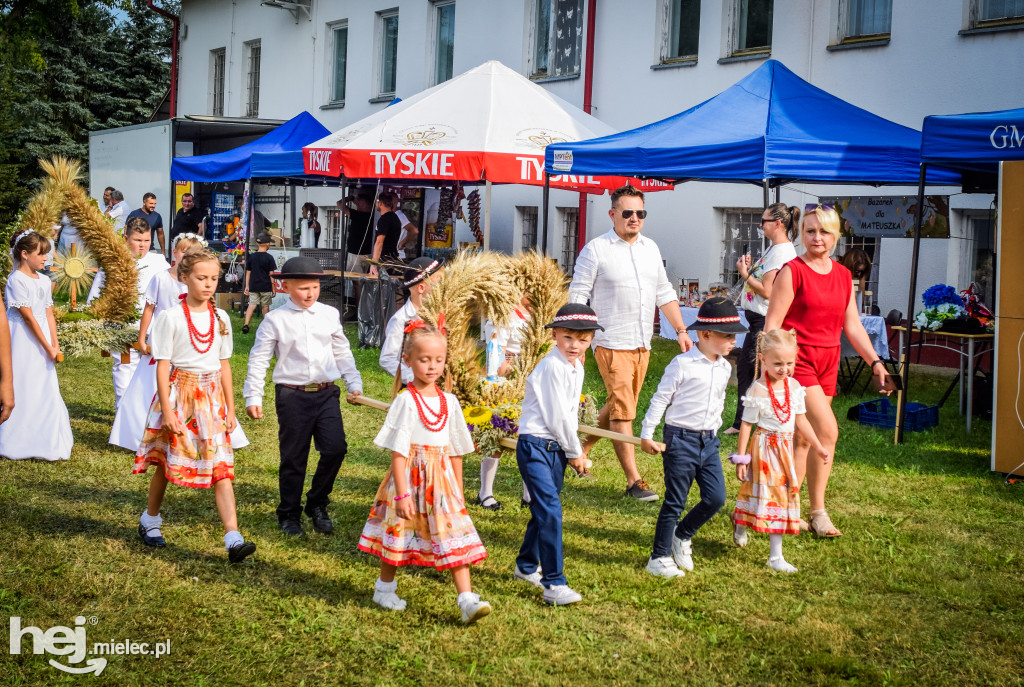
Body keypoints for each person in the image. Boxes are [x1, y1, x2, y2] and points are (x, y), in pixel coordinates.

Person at [765, 204, 889, 538]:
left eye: (823, 231)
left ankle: (786, 507)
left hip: (828, 361)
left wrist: (875, 362)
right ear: (801, 233)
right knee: (827, 432)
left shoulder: (843, 276)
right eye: (809, 231)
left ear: (835, 236)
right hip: (797, 361)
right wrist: (771, 369)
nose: (816, 237)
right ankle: (818, 513)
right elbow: (773, 324)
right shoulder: (792, 271)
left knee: (804, 440)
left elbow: (853, 325)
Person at [356, 319, 491, 624]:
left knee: (453, 533)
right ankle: (384, 588)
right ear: (408, 360)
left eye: (438, 360)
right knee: (399, 532)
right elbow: (399, 452)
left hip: (442, 484)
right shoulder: (406, 401)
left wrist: (458, 492)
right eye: (424, 360)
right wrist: (402, 494)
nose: (432, 366)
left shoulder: (450, 402)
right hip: (409, 480)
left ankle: (466, 599)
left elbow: (456, 450)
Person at [569, 184, 693, 502]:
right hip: (610, 340)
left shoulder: (650, 248)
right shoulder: (595, 250)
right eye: (627, 213)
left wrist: (681, 330)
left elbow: (664, 293)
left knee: (617, 405)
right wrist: (578, 340)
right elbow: (578, 295)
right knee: (624, 411)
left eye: (640, 213)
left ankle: (576, 450)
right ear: (613, 214)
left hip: (642, 343)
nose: (634, 218)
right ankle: (634, 481)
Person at [133, 248, 255, 563]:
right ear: (184, 278)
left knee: (221, 467)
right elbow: (162, 366)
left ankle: (233, 537)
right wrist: (169, 412)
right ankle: (150, 519)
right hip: (179, 395)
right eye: (201, 278)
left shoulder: (221, 318)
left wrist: (230, 408)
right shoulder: (170, 317)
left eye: (214, 278)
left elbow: (224, 365)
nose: (208, 284)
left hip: (211, 398)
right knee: (166, 462)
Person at [244, 256, 364, 537]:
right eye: (302, 288)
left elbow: (342, 351)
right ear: (285, 287)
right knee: (294, 458)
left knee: (336, 449)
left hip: (326, 394)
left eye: (314, 287)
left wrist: (353, 382)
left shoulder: (328, 315)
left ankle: (317, 503)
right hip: (292, 396)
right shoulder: (275, 320)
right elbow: (258, 359)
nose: (310, 294)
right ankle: (289, 514)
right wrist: (253, 396)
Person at [109, 234, 250, 453]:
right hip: (165, 339)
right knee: (152, 388)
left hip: (189, 344)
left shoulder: (201, 286)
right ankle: (141, 431)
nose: (186, 254)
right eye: (183, 251)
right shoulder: (161, 278)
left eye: (191, 251)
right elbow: (150, 308)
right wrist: (142, 336)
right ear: (175, 253)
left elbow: (223, 361)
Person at [640, 297, 747, 579]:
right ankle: (658, 557)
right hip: (680, 440)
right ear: (705, 334)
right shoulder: (682, 365)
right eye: (727, 336)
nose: (732, 342)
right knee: (675, 501)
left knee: (716, 498)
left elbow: (718, 402)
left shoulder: (725, 368)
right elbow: (660, 399)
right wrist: (646, 433)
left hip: (709, 442)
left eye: (734, 336)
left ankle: (682, 534)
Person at [513, 303, 600, 606]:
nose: (575, 345)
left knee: (543, 509)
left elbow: (569, 415)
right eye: (568, 338)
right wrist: (576, 453)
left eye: (583, 339)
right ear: (554, 336)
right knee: (550, 511)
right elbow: (558, 418)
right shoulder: (552, 366)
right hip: (536, 445)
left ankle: (525, 566)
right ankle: (553, 583)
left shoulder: (575, 366)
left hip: (555, 450)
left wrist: (568, 451)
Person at [731, 329, 828, 573]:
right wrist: (742, 458)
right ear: (763, 359)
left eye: (789, 363)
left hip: (785, 449)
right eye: (778, 364)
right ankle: (746, 528)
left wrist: (817, 445)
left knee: (778, 497)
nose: (784, 369)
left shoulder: (795, 387)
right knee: (762, 494)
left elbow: (801, 421)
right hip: (765, 450)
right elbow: (746, 425)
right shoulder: (758, 391)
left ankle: (769, 550)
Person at [726, 203, 800, 435]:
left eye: (764, 221)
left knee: (751, 371)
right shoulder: (775, 249)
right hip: (757, 319)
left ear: (778, 224)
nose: (760, 225)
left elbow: (768, 291)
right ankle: (749, 421)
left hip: (764, 321)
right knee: (750, 371)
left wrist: (745, 274)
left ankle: (746, 423)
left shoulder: (782, 252)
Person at [0, 230, 73, 461]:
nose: (45, 259)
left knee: (44, 383)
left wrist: (55, 344)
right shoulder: (16, 280)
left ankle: (46, 437)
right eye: (41, 254)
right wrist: (46, 346)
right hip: (23, 338)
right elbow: (29, 318)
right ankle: (16, 437)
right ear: (24, 254)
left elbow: (47, 314)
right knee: (24, 381)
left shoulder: (43, 280)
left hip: (43, 339)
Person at [88, 217, 171, 409]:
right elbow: (96, 297)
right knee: (125, 370)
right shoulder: (112, 263)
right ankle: (123, 415)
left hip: (154, 328)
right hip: (123, 327)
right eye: (137, 240)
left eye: (147, 241)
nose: (143, 246)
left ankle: (147, 416)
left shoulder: (159, 262)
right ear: (126, 237)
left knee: (151, 373)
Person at [477, 293, 534, 511]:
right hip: (507, 381)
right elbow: (496, 354)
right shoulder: (503, 316)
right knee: (498, 434)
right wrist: (508, 374)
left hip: (529, 378)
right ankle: (486, 492)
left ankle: (529, 494)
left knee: (529, 435)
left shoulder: (535, 314)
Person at [379, 257, 442, 385]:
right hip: (413, 387)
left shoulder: (439, 315)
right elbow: (387, 359)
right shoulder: (401, 319)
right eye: (438, 282)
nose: (441, 287)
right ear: (421, 288)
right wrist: (413, 376)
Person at [341, 193, 374, 304]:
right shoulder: (372, 216)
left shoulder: (359, 214)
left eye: (361, 202)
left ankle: (359, 310)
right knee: (365, 283)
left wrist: (349, 198)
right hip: (368, 253)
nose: (358, 204)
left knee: (357, 283)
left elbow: (340, 204)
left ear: (367, 204)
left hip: (356, 253)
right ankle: (362, 309)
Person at [242, 233, 277, 335]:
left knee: (251, 305)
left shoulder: (251, 257)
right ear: (267, 244)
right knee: (265, 306)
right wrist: (273, 287)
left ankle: (246, 325)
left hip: (253, 286)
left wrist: (247, 286)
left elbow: (248, 273)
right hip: (265, 286)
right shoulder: (269, 258)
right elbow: (271, 274)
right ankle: (266, 326)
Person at [368, 192, 402, 277]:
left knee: (381, 287)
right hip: (392, 258)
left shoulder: (384, 219)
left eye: (376, 202)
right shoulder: (394, 217)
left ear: (380, 203)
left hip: (384, 260)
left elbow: (379, 242)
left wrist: (373, 263)